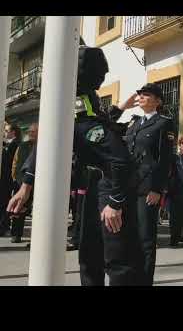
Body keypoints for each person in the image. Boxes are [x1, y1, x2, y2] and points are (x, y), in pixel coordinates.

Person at [8, 45, 143, 286]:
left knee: (118, 260)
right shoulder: (76, 107)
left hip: (109, 189)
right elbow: (53, 139)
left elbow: (118, 157)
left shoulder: (80, 109)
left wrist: (114, 202)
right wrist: (26, 184)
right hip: (95, 187)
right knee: (90, 255)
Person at [108, 82, 174, 286]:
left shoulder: (164, 123)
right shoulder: (133, 123)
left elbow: (165, 160)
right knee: (127, 237)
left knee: (145, 239)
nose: (142, 97)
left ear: (158, 100)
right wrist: (121, 107)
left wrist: (157, 189)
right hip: (127, 187)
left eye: (147, 94)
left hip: (147, 189)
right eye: (140, 94)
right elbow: (106, 127)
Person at [10, 123, 38, 243]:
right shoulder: (22, 146)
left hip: (37, 185)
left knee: (37, 211)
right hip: (21, 183)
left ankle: (36, 239)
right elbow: (15, 163)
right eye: (29, 132)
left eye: (33, 132)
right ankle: (16, 234)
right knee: (18, 209)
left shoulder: (42, 145)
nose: (30, 134)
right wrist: (15, 178)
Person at [0, 123, 21, 236]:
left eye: (7, 131)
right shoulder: (11, 144)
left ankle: (4, 226)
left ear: (13, 132)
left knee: (4, 202)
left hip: (7, 179)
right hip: (7, 178)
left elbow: (11, 163)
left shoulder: (15, 144)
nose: (5, 133)